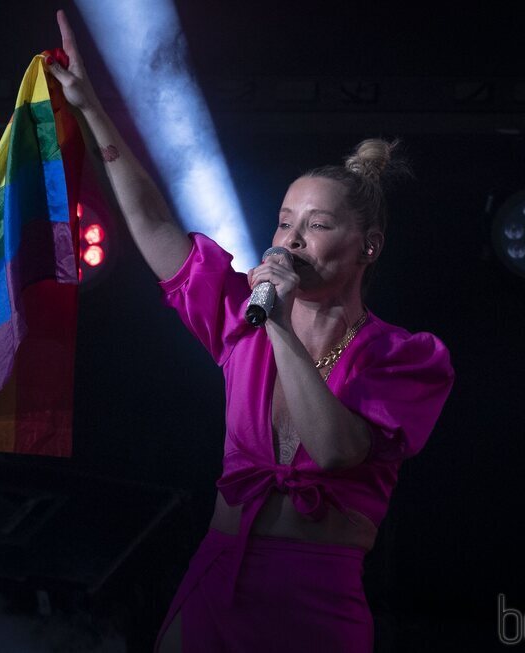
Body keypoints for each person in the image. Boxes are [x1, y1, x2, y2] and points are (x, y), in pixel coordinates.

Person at [45, 9, 455, 652]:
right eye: (285, 221)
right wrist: (92, 106)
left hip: (314, 599)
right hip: (219, 575)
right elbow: (153, 221)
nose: (291, 239)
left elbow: (338, 451)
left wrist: (280, 328)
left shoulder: (405, 357)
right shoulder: (242, 318)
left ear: (368, 246)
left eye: (317, 225)